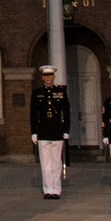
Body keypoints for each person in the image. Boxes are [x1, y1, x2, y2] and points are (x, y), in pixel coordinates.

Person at [30, 65, 70, 199]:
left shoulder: (60, 92)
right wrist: (33, 132)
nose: (48, 78)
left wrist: (66, 129)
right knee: (45, 163)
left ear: (54, 77)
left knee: (56, 163)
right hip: (43, 131)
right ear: (42, 77)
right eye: (46, 76)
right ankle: (48, 189)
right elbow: (33, 114)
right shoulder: (37, 93)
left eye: (50, 75)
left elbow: (67, 112)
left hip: (57, 130)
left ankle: (56, 189)